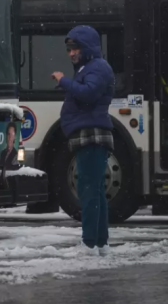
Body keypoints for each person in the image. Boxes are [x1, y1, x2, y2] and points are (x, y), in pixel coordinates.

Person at [52, 26, 115, 257]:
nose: (71, 53)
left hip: (91, 135)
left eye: (75, 48)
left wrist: (63, 81)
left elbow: (88, 93)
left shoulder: (97, 67)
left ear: (87, 47)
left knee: (88, 189)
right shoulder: (90, 67)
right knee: (94, 189)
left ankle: (90, 243)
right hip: (88, 134)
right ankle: (100, 242)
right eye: (69, 49)